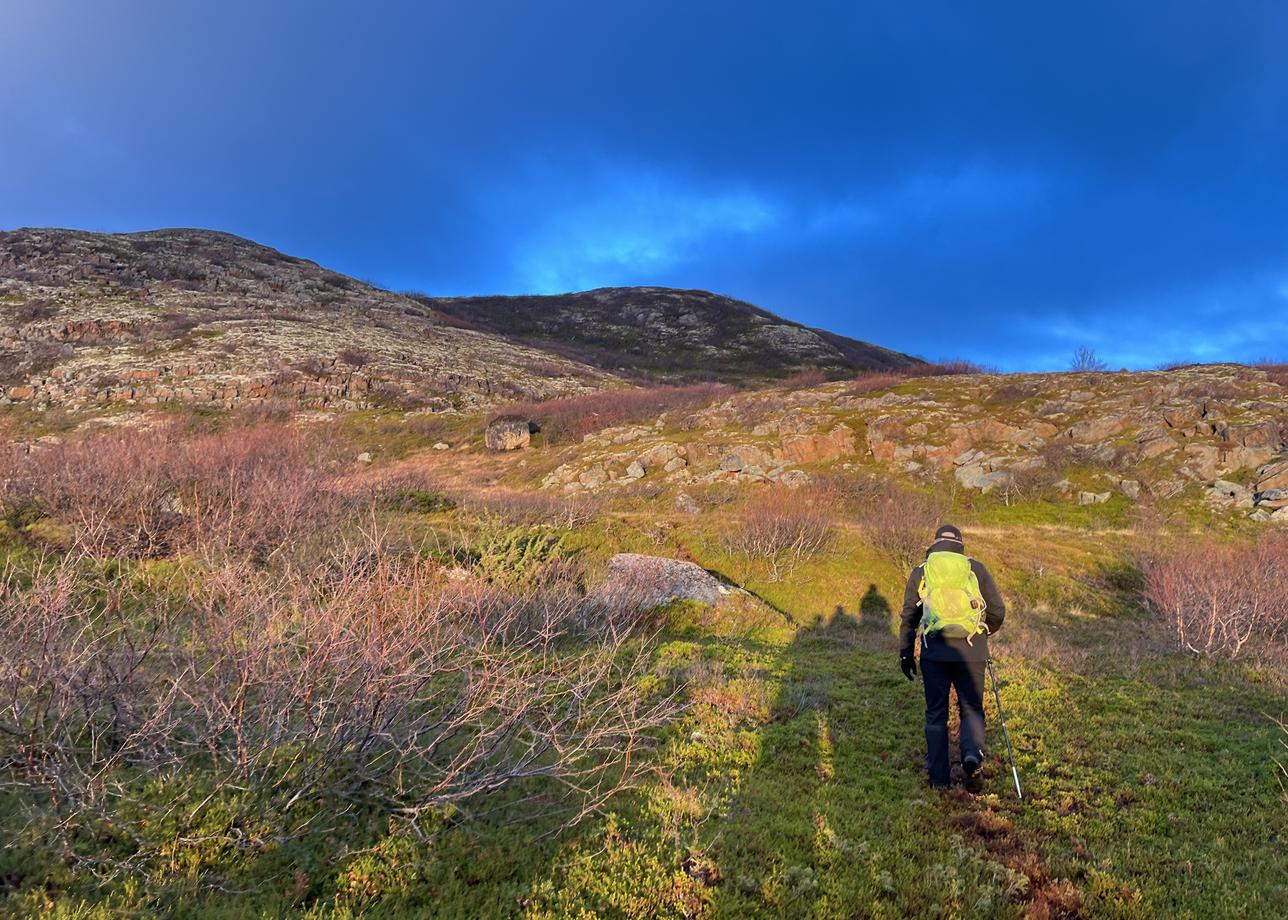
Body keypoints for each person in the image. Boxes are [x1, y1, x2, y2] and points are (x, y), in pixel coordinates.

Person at [898, 523, 1005, 790]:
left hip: (934, 652)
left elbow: (909, 616)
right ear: (960, 544)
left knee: (935, 714)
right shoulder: (975, 569)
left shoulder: (922, 571)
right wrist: (984, 631)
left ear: (934, 544)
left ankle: (939, 780)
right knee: (971, 709)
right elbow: (998, 610)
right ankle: (971, 754)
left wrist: (905, 653)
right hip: (972, 650)